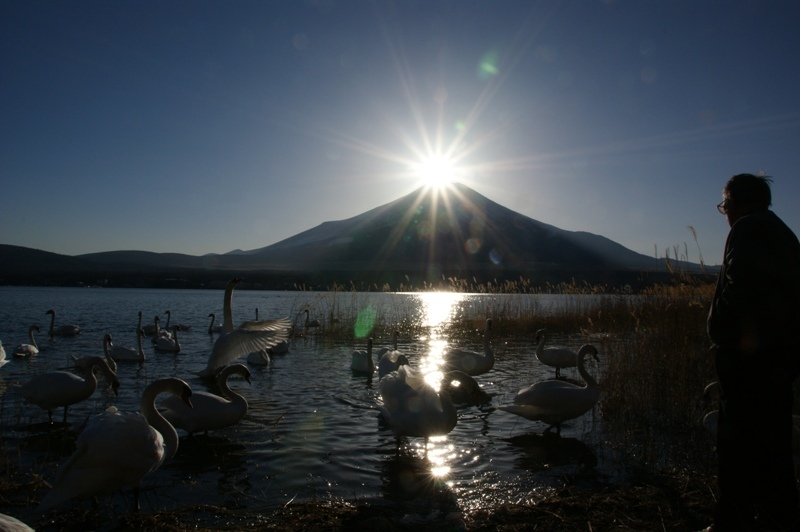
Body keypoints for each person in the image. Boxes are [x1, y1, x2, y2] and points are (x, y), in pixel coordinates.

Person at [707, 173, 800, 531]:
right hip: (777, 360)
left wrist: (724, 332)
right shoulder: (782, 232)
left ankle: (733, 521)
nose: (725, 213)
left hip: (749, 360)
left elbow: (739, 289)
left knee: (736, 446)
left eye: (725, 205)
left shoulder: (748, 229)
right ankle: (779, 516)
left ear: (739, 203)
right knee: (772, 445)